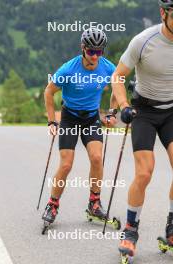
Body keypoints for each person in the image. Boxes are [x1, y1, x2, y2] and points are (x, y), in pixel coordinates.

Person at [111, 0, 173, 258]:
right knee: (145, 172)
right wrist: (123, 105)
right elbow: (118, 76)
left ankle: (172, 226)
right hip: (143, 111)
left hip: (171, 111)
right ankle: (130, 228)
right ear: (164, 13)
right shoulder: (144, 41)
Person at [42, 27, 118, 225]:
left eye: (99, 51)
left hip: (91, 118)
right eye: (92, 51)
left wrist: (111, 112)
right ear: (83, 48)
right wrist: (52, 120)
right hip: (69, 117)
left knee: (96, 158)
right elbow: (48, 92)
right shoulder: (68, 69)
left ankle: (94, 202)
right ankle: (52, 204)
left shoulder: (108, 67)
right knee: (66, 164)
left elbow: (117, 88)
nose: (95, 56)